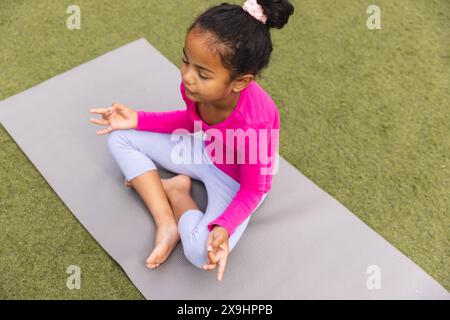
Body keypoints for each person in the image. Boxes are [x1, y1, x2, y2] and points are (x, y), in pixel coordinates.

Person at [89, 0, 294, 282]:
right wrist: (136, 119)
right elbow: (192, 122)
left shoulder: (254, 123)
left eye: (203, 73)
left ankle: (178, 194)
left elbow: (254, 189)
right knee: (120, 136)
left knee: (199, 253)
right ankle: (166, 223)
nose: (187, 76)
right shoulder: (193, 88)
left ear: (240, 82)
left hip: (237, 183)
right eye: (186, 60)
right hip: (202, 151)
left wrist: (224, 226)